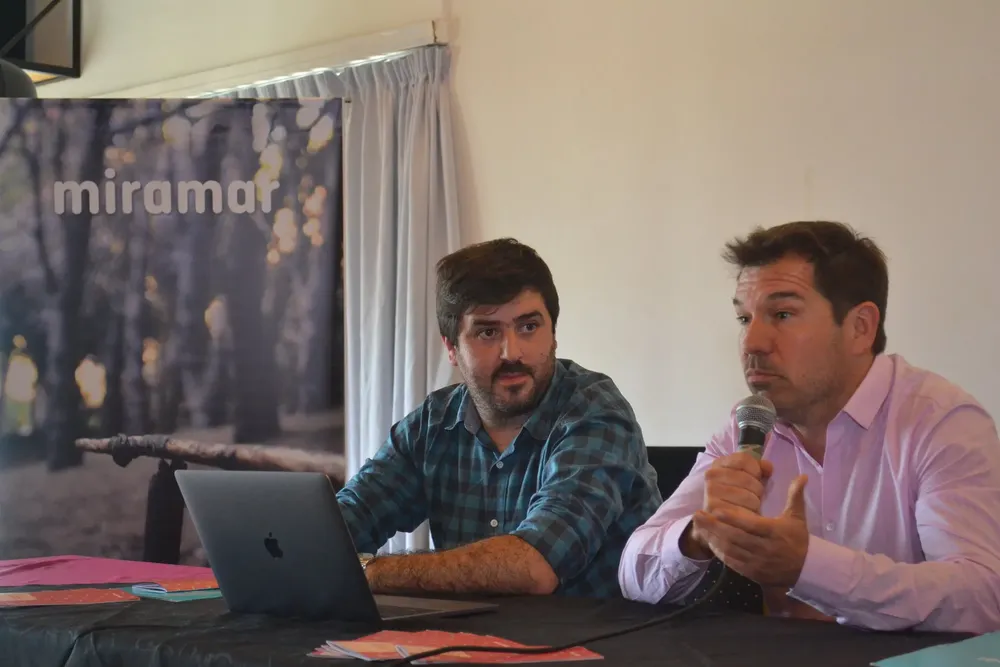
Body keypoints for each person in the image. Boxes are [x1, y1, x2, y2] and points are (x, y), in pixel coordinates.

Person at [618, 220, 1000, 633]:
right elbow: (633, 572)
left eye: (783, 314)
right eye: (744, 318)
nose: (752, 343)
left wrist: (807, 566)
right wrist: (697, 534)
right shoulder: (748, 427)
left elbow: (981, 597)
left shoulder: (940, 421)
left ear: (860, 328)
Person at [337, 237, 662, 599]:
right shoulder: (432, 424)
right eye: (488, 332)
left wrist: (372, 572)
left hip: (592, 634)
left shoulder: (595, 412)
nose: (512, 352)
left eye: (528, 327)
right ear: (451, 348)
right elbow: (341, 524)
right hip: (464, 633)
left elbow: (534, 567)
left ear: (553, 334)